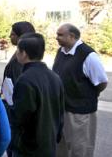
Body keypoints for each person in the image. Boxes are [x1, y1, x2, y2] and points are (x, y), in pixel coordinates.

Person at [53, 23, 108, 157]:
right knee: (61, 148)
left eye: (60, 35)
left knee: (80, 149)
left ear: (72, 36)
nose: (56, 37)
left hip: (80, 113)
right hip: (62, 109)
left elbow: (101, 82)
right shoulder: (61, 51)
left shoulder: (88, 55)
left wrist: (86, 96)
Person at [10, 33, 65, 157]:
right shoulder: (54, 77)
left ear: (24, 53)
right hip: (49, 143)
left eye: (18, 50)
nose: (17, 53)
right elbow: (61, 111)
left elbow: (20, 117)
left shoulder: (25, 80)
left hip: (29, 147)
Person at [0, 21, 35, 157]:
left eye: (13, 34)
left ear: (21, 36)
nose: (9, 36)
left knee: (14, 145)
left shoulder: (20, 61)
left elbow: (19, 89)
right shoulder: (22, 55)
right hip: (13, 107)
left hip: (15, 111)